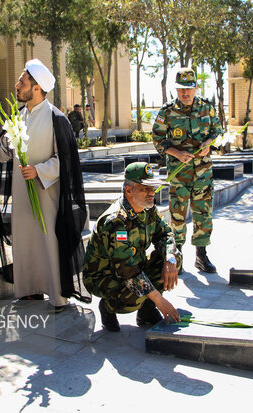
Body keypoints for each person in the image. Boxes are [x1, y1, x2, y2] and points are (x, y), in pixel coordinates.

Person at [0, 59, 88, 311]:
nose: (17, 86)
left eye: (22, 82)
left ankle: (56, 294)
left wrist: (39, 171)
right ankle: (30, 290)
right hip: (22, 194)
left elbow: (66, 160)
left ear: (37, 87)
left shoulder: (57, 119)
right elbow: (4, 150)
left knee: (48, 241)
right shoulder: (17, 117)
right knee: (26, 241)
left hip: (47, 195)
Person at [83, 162, 182, 332]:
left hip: (134, 266)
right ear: (129, 191)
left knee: (173, 257)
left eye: (153, 188)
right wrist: (160, 301)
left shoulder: (147, 209)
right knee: (135, 295)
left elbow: (166, 235)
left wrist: (170, 260)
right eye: (145, 188)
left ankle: (147, 313)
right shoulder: (115, 221)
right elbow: (126, 270)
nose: (152, 193)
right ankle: (107, 307)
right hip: (104, 276)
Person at [151, 68, 221, 274]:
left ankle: (201, 255)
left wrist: (209, 143)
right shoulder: (167, 111)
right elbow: (157, 139)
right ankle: (177, 255)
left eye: (189, 89)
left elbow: (217, 131)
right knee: (178, 214)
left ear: (195, 88)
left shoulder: (207, 108)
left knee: (203, 213)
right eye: (181, 89)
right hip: (179, 172)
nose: (185, 94)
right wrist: (176, 153)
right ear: (177, 89)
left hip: (203, 173)